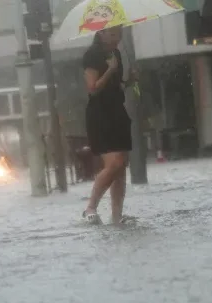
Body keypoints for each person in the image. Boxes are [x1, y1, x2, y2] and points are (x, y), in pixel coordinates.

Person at [81, 25, 134, 225]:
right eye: (112, 34)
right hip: (100, 114)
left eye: (119, 34)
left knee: (121, 166)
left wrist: (130, 81)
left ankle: (117, 215)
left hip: (117, 112)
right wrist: (110, 69)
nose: (117, 38)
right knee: (115, 163)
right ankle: (90, 207)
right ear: (100, 33)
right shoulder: (92, 55)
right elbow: (93, 88)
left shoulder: (116, 54)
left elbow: (116, 86)